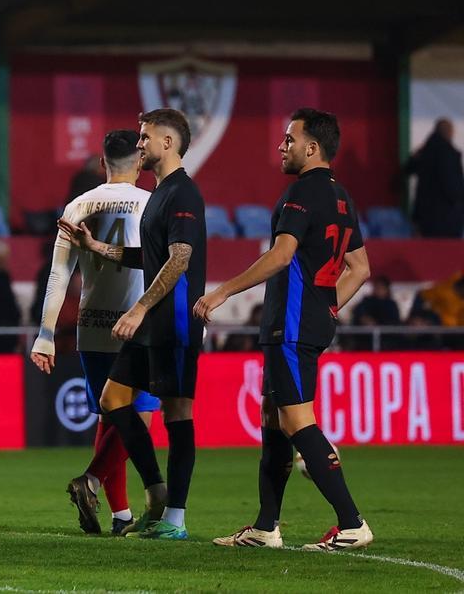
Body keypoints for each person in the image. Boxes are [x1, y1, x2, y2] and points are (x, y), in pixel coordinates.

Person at [196, 108, 373, 552]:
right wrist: (328, 308)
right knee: (273, 421)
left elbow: (280, 256)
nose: (282, 145)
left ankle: (352, 524)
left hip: (291, 327)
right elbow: (360, 268)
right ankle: (265, 526)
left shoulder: (301, 193)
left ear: (312, 148)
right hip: (306, 323)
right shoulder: (341, 197)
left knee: (296, 421)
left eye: (289, 139)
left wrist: (223, 293)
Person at [62, 107, 206, 541]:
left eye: (146, 137)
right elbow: (152, 257)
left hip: (175, 321)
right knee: (114, 399)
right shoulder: (160, 192)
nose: (139, 143)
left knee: (176, 412)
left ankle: (174, 519)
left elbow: (180, 260)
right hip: (153, 322)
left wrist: (140, 307)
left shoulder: (183, 193)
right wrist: (97, 247)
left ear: (168, 142)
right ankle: (158, 493)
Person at [32, 129, 159, 537]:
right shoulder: (153, 204)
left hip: (92, 328)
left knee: (109, 417)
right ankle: (91, 480)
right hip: (137, 324)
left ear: (102, 163)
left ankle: (121, 516)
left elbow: (58, 275)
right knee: (135, 420)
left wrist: (46, 334)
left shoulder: (78, 205)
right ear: (140, 164)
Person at [406, 119, 464, 237]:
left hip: (424, 216)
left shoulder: (425, 151)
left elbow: (408, 168)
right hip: (447, 218)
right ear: (449, 132)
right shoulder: (449, 154)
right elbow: (452, 188)